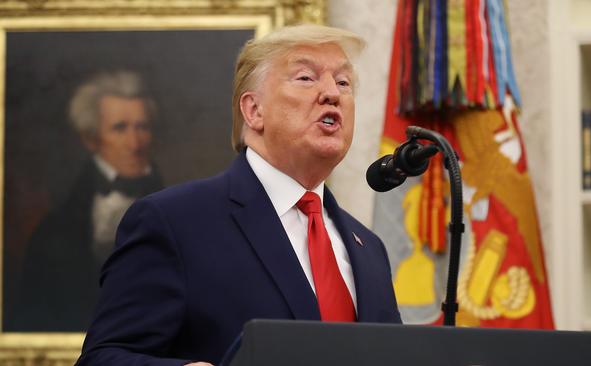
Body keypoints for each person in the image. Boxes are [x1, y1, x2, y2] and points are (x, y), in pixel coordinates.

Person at [76, 25, 401, 366]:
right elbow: (101, 359)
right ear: (253, 110)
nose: (332, 93)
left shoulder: (369, 249)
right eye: (306, 78)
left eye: (344, 82)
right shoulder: (174, 222)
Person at [17, 70, 163, 331]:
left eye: (142, 127)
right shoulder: (55, 228)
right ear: (90, 138)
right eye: (120, 128)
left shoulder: (178, 209)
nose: (134, 142)